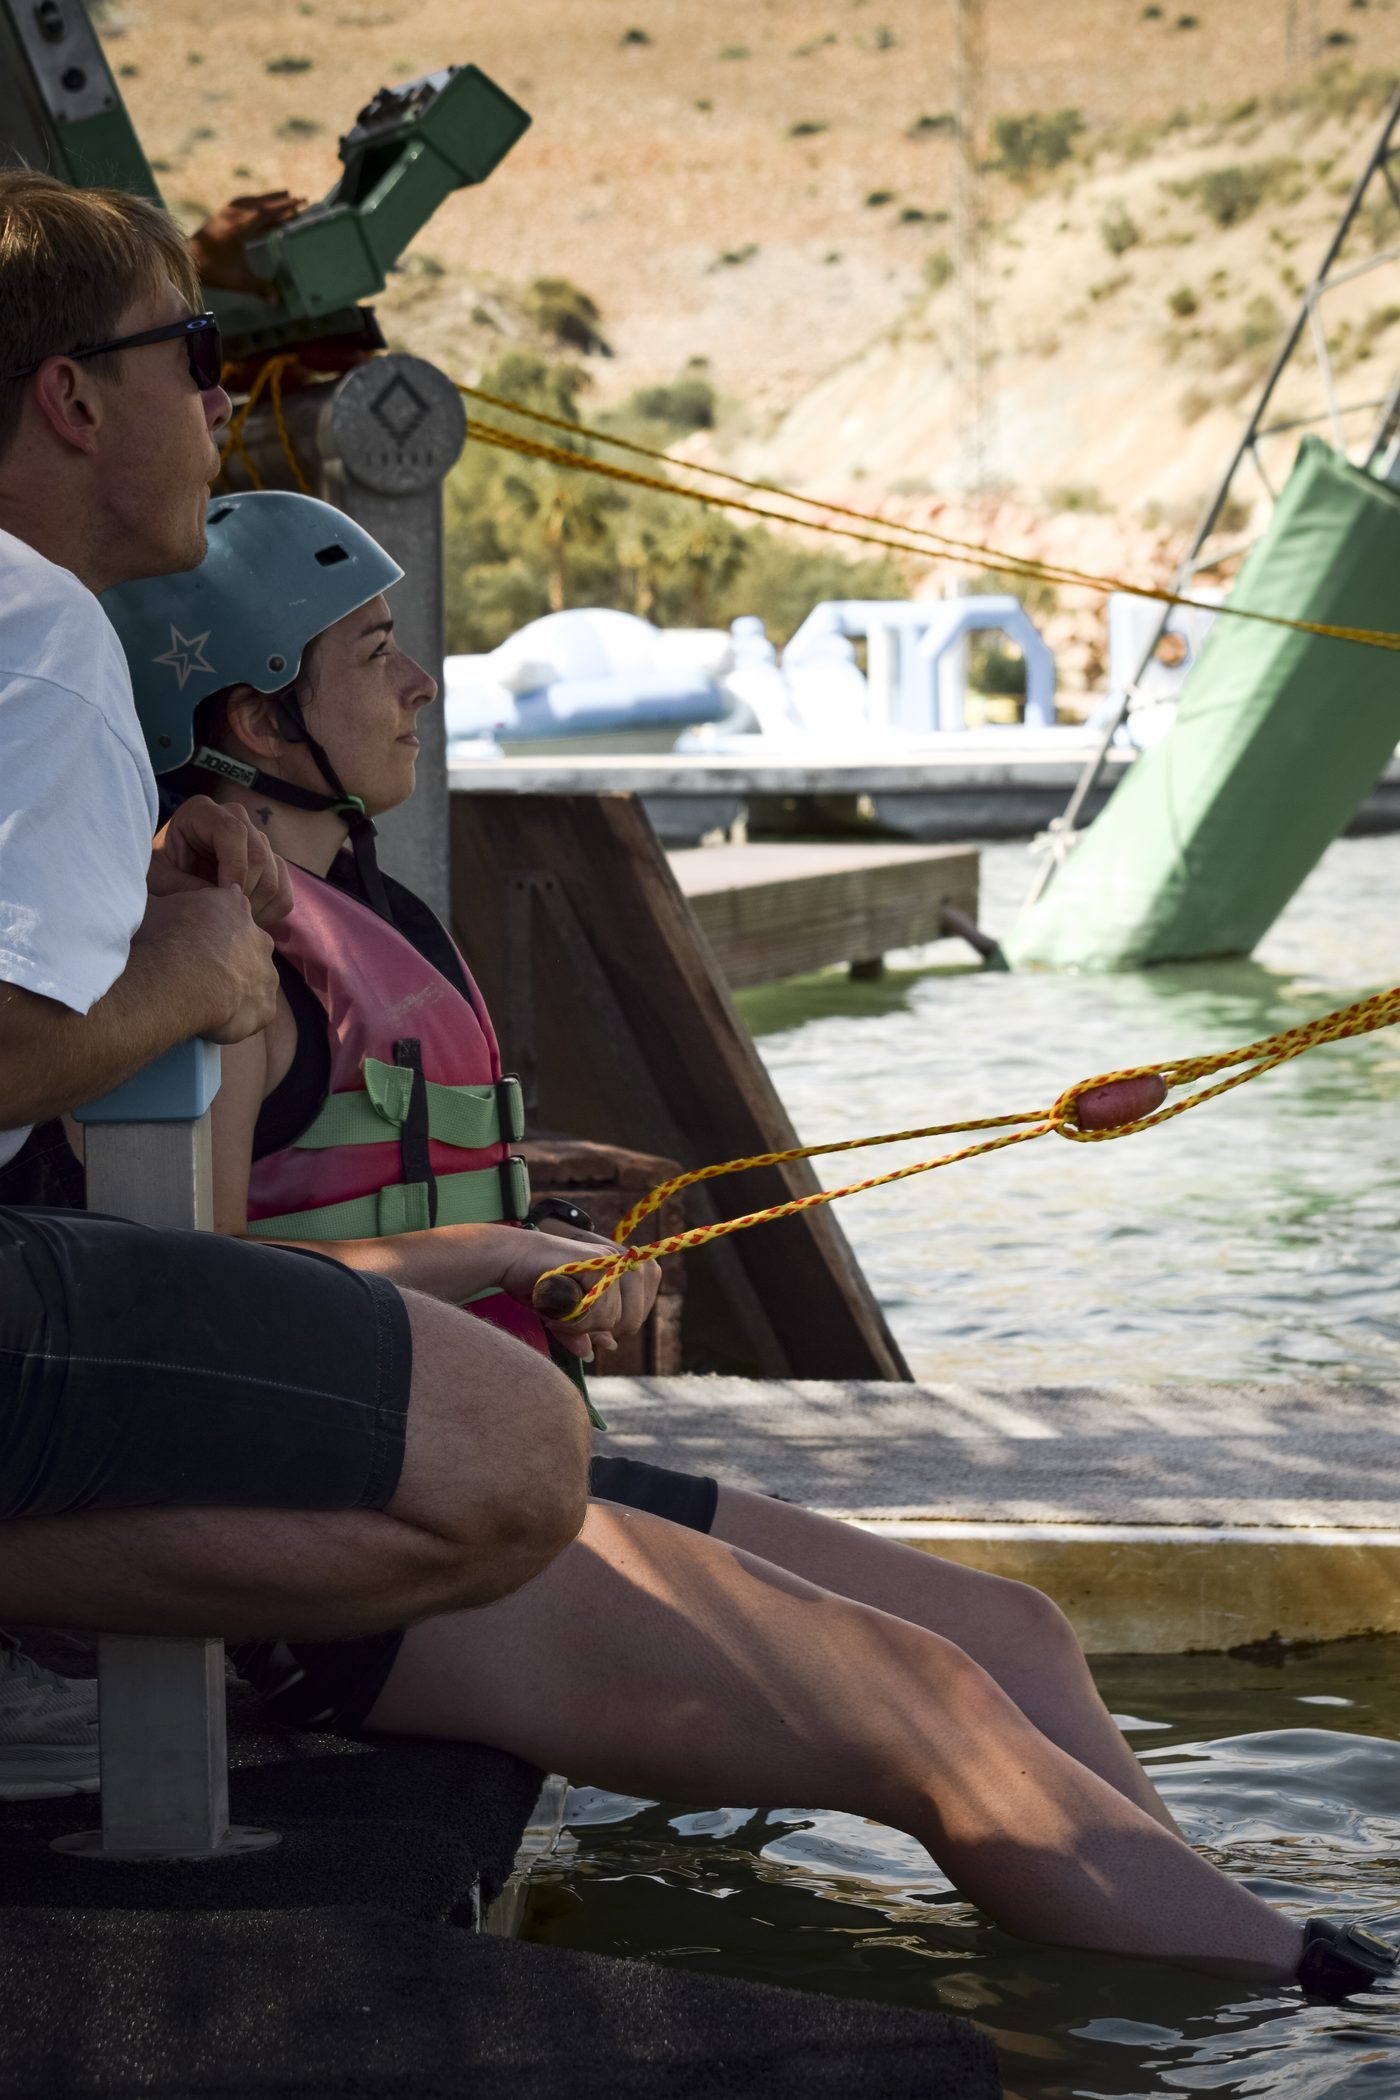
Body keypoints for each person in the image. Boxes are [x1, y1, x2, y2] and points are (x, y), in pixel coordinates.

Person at [102, 488, 1395, 1999]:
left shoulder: (365, 905)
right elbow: (186, 1314)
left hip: (473, 1454)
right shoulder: (221, 951)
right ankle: (1318, 2010)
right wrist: (494, 1260)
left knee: (1015, 1635)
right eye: (376, 650)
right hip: (347, 1540)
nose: (421, 681)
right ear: (257, 721)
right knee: (936, 1710)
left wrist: (530, 1264)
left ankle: (1204, 1936)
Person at [0, 169, 592, 1798]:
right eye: (193, 351)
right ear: (68, 395)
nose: (217, 395)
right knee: (517, 1457)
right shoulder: (41, 637)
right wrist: (188, 976)